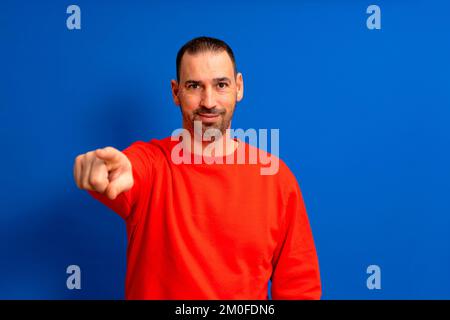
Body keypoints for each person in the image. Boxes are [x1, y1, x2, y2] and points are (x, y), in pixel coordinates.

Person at [73, 36, 321, 300]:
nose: (209, 101)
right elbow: (125, 172)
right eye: (194, 86)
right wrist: (100, 168)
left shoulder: (276, 178)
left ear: (239, 87)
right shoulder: (150, 163)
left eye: (221, 85)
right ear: (175, 92)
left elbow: (299, 289)